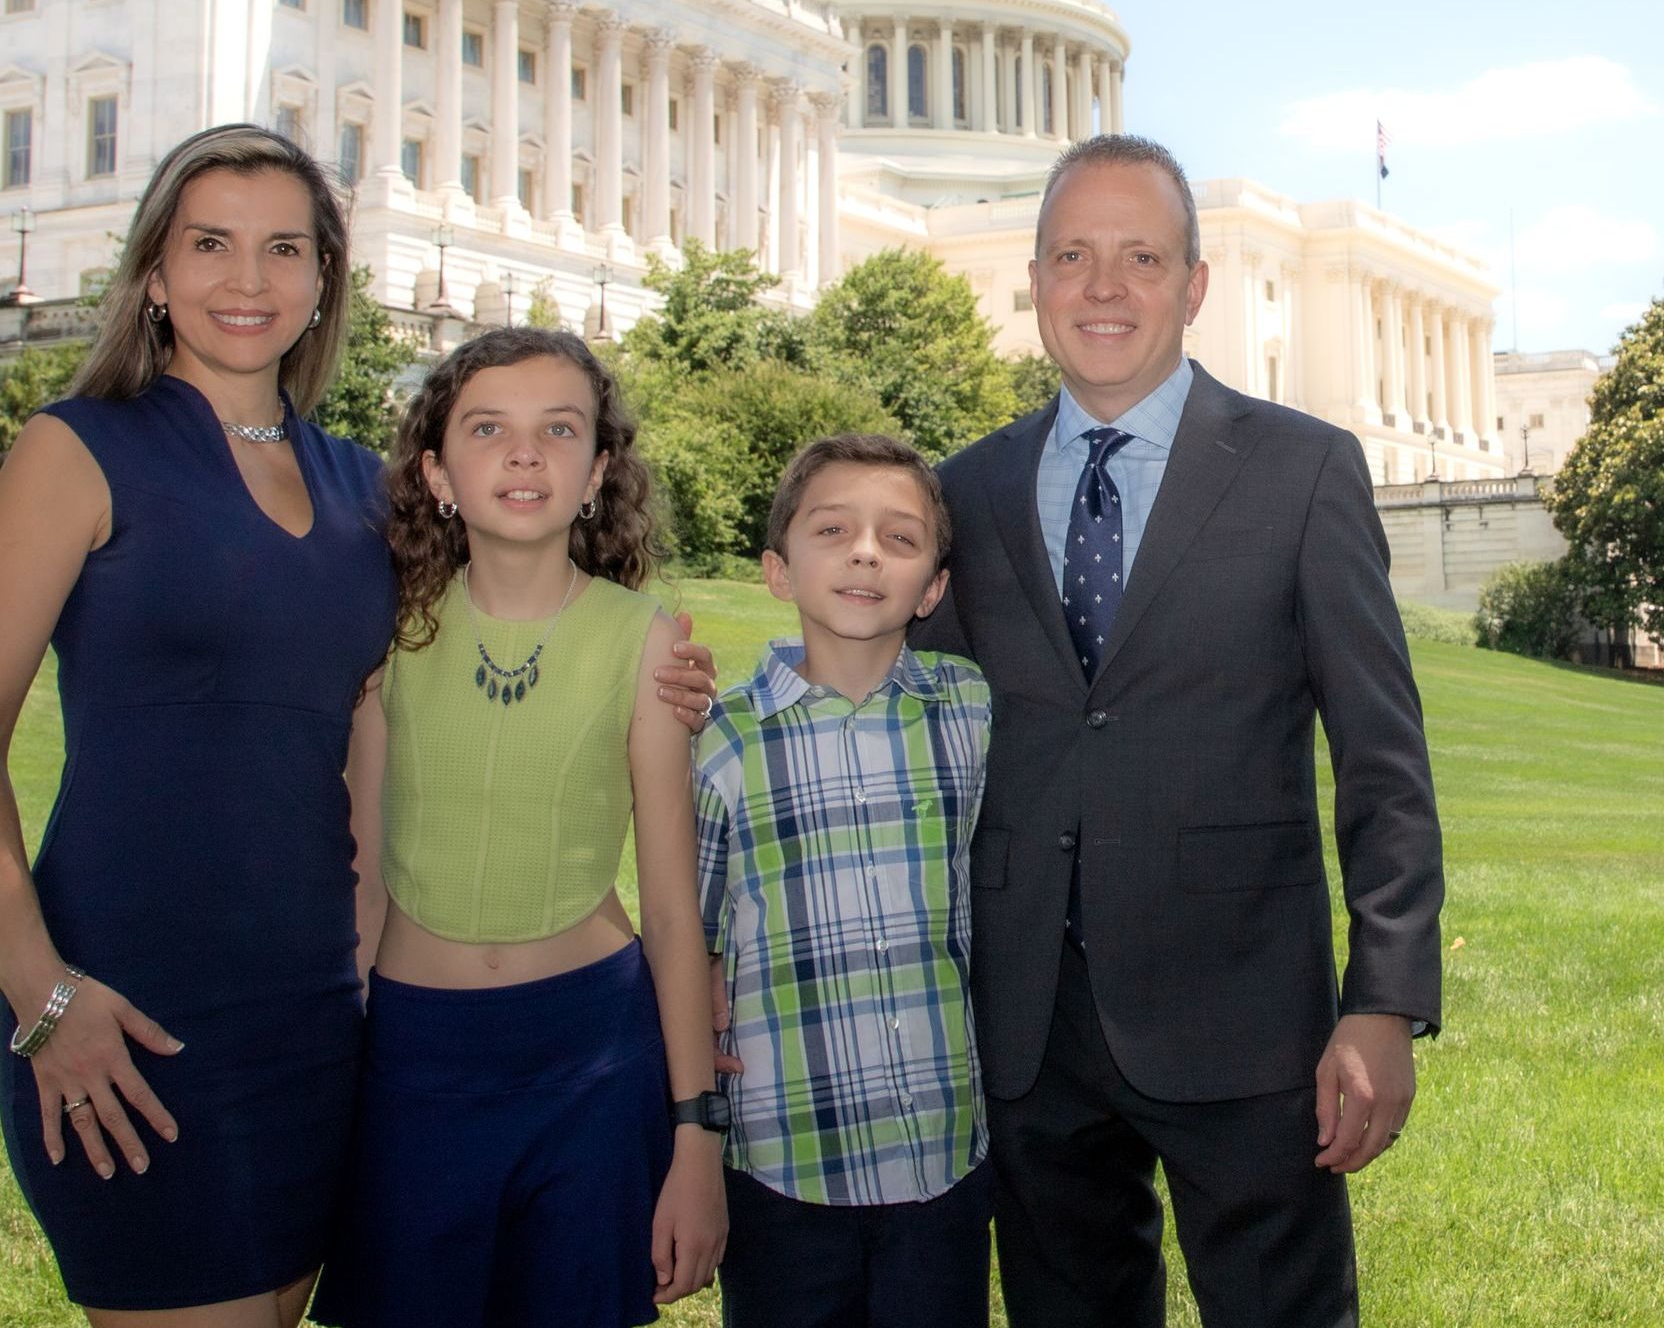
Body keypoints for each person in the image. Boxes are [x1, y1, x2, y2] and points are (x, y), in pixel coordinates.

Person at [0, 127, 724, 1328]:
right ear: (153, 272)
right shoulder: (79, 451)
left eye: (282, 249)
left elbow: (507, 612)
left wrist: (662, 674)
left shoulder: (367, 489)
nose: (246, 281)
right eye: (209, 244)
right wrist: (41, 991)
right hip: (125, 1000)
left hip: (320, 1015)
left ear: (320, 283)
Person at [912, 133, 1445, 1328]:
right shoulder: (965, 491)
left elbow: (1383, 759)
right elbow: (908, 728)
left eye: (1140, 256)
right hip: (1028, 1021)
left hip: (1247, 1016)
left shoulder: (1303, 472)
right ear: (1036, 279)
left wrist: (1385, 996)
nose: (1103, 286)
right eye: (1072, 256)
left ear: (1194, 284)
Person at [310, 328, 728, 1328]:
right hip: (416, 1057)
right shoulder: (389, 629)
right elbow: (361, 872)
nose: (525, 453)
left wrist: (697, 1136)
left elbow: (671, 911)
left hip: (591, 1054)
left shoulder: (648, 640)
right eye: (488, 427)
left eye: (559, 429)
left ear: (597, 472)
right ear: (437, 471)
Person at [695, 433, 995, 1328]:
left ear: (933, 587)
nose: (867, 550)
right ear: (778, 569)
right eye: (832, 529)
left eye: (901, 539)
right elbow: (692, 937)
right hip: (784, 1159)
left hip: (941, 1155)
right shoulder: (721, 743)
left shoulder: (970, 710)